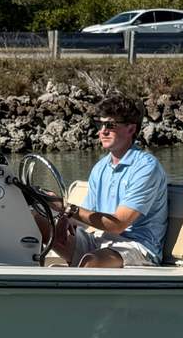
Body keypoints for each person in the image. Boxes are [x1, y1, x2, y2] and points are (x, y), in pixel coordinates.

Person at [51, 95, 168, 267]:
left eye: (110, 125)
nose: (103, 131)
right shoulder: (100, 167)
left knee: (90, 261)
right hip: (102, 241)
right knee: (38, 222)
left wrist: (67, 208)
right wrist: (65, 218)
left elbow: (118, 225)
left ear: (131, 129)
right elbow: (86, 215)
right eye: (100, 124)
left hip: (138, 246)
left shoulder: (146, 167)